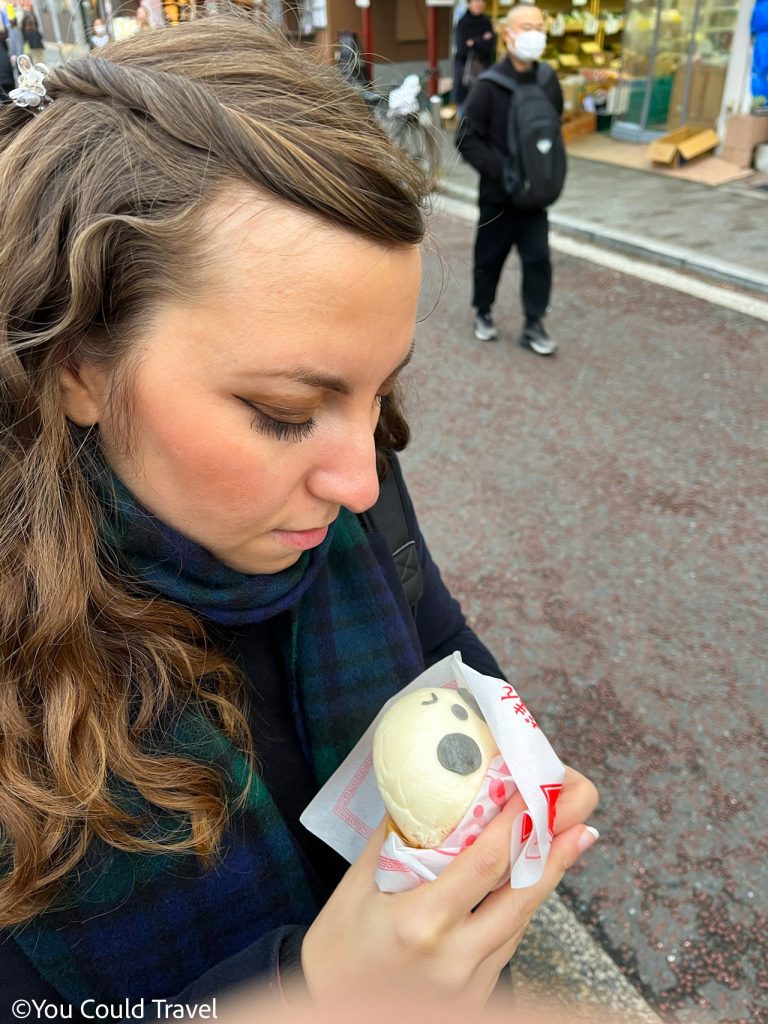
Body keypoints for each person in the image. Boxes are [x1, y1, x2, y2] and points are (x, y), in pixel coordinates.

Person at [0, 13, 598, 1019]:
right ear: (78, 364)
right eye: (285, 414)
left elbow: (435, 638)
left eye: (379, 393)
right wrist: (313, 995)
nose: (361, 479)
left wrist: (513, 769)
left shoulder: (359, 486)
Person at [456, 5, 563, 355]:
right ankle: (483, 311)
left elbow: (553, 126)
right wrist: (502, 172)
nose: (535, 34)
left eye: (539, 26)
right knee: (489, 258)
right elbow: (466, 138)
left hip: (534, 196)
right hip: (498, 197)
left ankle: (534, 323)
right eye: (526, 26)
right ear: (507, 34)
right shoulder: (488, 87)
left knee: (538, 261)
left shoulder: (548, 80)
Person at [452, 0, 496, 113]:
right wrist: (482, 40)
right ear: (469, 3)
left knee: (483, 109)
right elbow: (462, 49)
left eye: (482, 1)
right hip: (465, 73)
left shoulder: (487, 22)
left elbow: (490, 47)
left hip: (484, 70)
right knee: (465, 110)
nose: (479, 4)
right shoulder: (462, 22)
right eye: (476, 1)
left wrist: (474, 42)